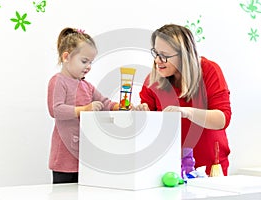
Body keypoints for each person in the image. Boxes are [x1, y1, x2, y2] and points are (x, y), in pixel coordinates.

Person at [134, 24, 232, 176]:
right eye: (156, 53)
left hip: (208, 169)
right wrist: (142, 113)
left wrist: (187, 112)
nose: (158, 61)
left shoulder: (209, 71)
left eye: (165, 55)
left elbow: (222, 119)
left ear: (183, 55)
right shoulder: (153, 80)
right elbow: (149, 130)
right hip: (168, 169)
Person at [47, 27, 119, 184]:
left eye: (91, 62)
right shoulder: (58, 81)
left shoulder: (87, 86)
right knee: (63, 194)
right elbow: (56, 109)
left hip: (85, 154)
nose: (88, 66)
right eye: (84, 61)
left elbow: (105, 102)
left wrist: (118, 107)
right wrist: (83, 109)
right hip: (64, 157)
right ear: (66, 57)